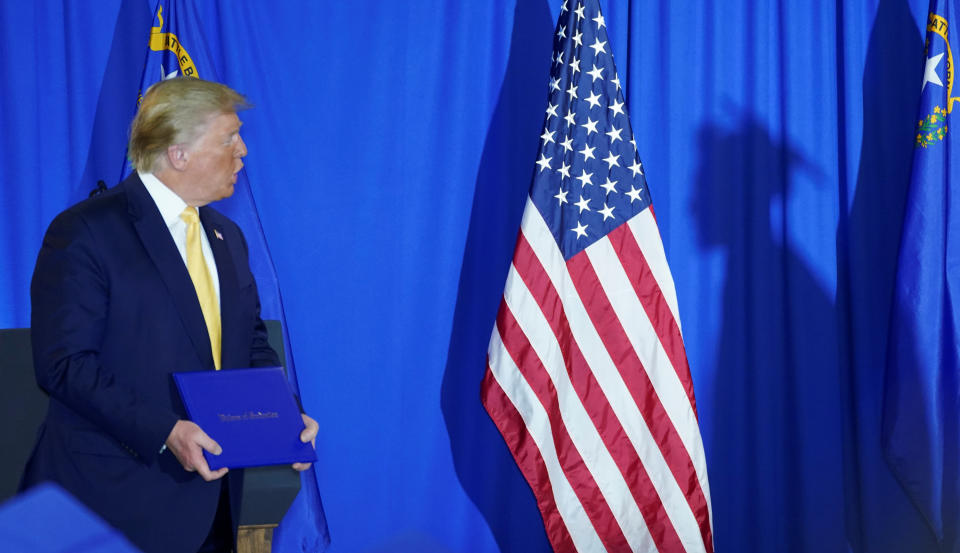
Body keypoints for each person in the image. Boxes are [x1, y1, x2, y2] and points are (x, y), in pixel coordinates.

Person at [19, 77, 318, 553]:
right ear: (178, 152)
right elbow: (65, 364)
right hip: (110, 503)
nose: (242, 151)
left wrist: (284, 418)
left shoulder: (227, 238)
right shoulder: (85, 232)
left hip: (213, 506)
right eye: (229, 138)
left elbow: (250, 344)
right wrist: (166, 432)